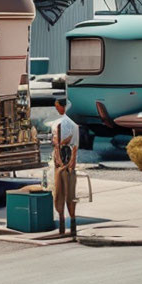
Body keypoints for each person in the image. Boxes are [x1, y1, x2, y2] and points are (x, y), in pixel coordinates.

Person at [52, 98, 79, 238]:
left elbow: (73, 145)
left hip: (67, 164)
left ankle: (71, 224)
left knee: (69, 194)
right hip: (59, 163)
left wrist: (70, 165)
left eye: (58, 107)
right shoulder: (58, 124)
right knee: (59, 195)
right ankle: (63, 225)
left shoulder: (70, 125)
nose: (56, 109)